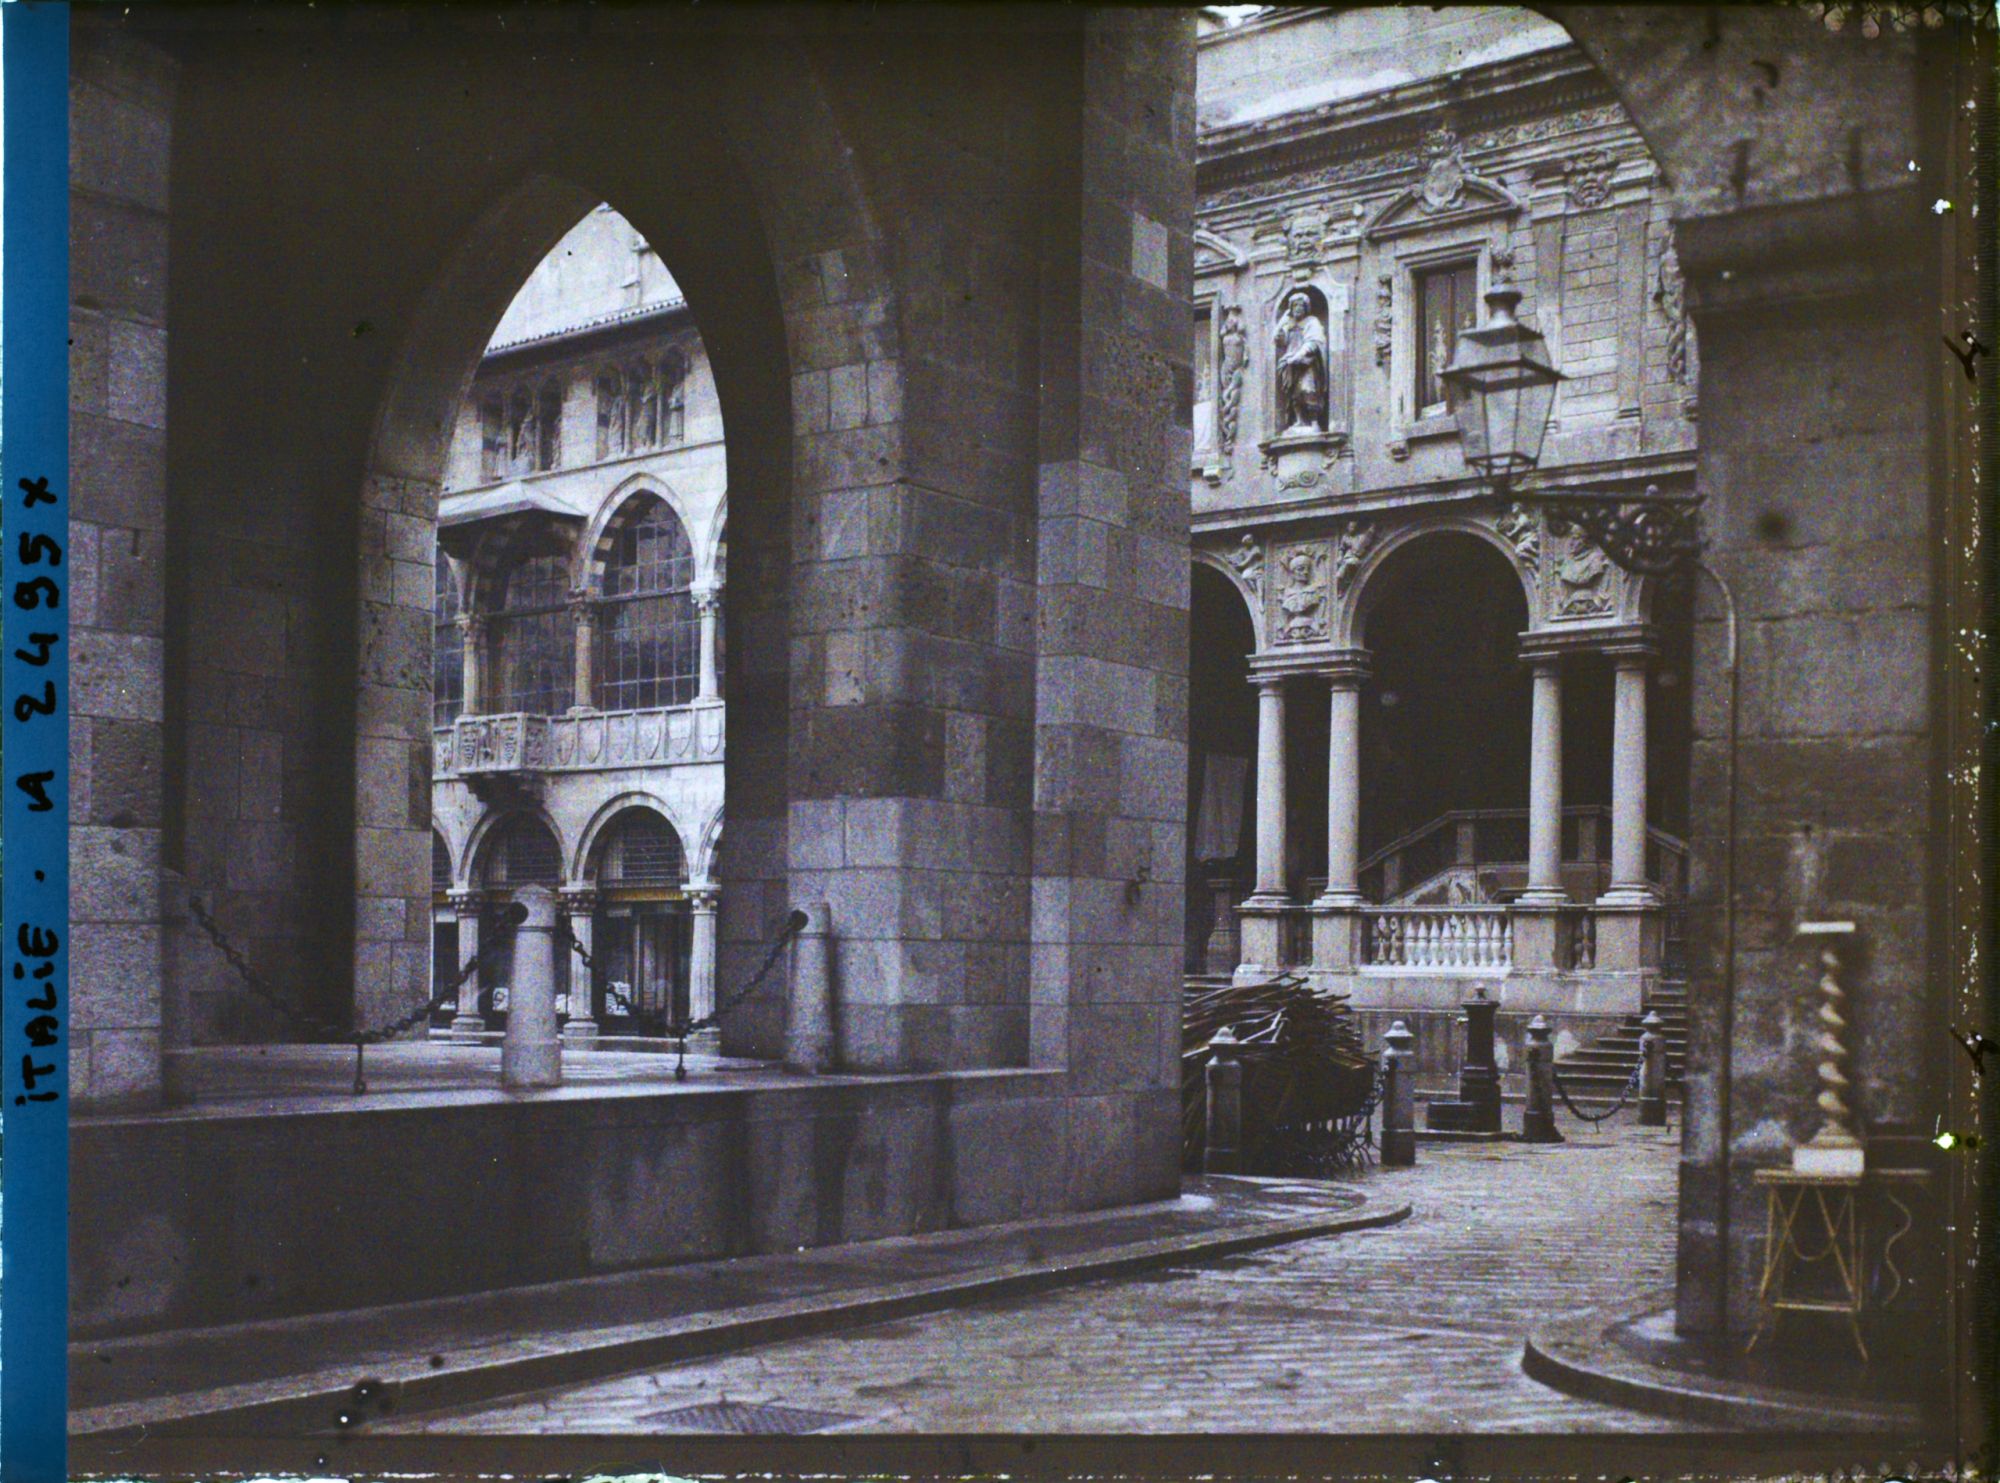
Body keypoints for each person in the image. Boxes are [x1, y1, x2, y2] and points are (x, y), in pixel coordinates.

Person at [1273, 290, 1327, 432]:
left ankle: (1314, 421)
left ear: (1306, 308)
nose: (1298, 308)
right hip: (1289, 362)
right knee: (1293, 393)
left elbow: (1314, 342)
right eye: (1295, 305)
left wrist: (1300, 354)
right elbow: (1280, 341)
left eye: (1301, 305)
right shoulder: (1288, 324)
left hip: (1306, 362)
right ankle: (1299, 420)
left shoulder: (1312, 322)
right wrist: (1280, 326)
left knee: (1308, 389)